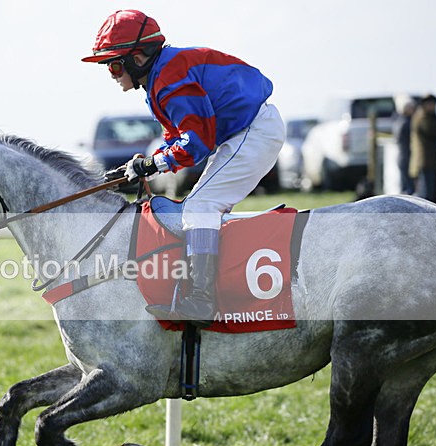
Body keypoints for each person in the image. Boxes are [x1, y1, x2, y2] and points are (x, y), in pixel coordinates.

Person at [82, 10, 285, 326]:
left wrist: (151, 164)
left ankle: (203, 301)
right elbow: (175, 139)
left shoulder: (169, 77)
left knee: (201, 206)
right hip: (244, 131)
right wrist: (142, 166)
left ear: (138, 57)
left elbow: (196, 143)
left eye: (114, 64)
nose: (111, 72)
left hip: (253, 130)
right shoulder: (161, 76)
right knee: (198, 206)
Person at [410, 94, 436, 205]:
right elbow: (435, 131)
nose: (432, 106)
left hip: (434, 163)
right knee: (427, 197)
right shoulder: (422, 118)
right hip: (426, 162)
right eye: (430, 104)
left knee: (435, 195)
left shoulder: (431, 117)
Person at [392, 100, 416, 195]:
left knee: (404, 184)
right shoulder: (407, 123)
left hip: (402, 156)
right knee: (408, 187)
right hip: (407, 157)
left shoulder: (398, 120)